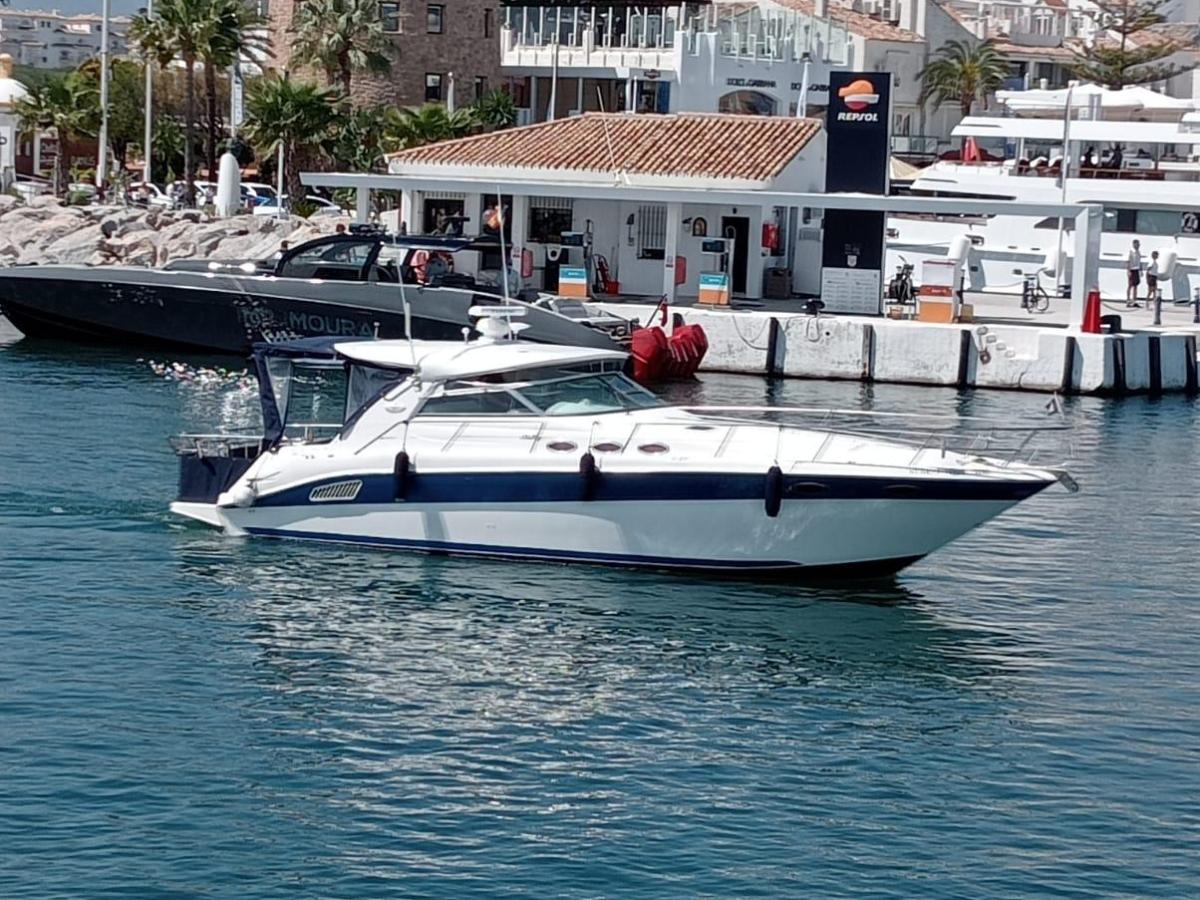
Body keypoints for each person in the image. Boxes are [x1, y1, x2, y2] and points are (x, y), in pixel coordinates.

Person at [1126, 239, 1143, 308]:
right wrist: (1128, 270)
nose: (1138, 246)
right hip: (1132, 270)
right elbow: (1128, 261)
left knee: (1136, 286)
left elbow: (1139, 262)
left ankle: (1134, 301)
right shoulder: (1130, 252)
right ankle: (1128, 300)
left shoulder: (1139, 252)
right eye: (1137, 244)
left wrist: (1141, 270)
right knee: (1130, 285)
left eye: (1139, 244)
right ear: (1134, 244)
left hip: (1136, 270)